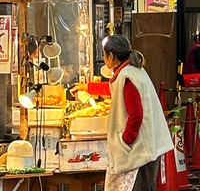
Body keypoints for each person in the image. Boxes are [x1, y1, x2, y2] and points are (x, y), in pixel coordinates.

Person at [72, 35, 173, 191]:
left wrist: (125, 141)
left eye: (104, 55)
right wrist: (87, 87)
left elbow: (136, 115)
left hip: (140, 150)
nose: (104, 59)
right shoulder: (130, 70)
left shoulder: (127, 76)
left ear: (111, 56)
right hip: (144, 147)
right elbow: (113, 89)